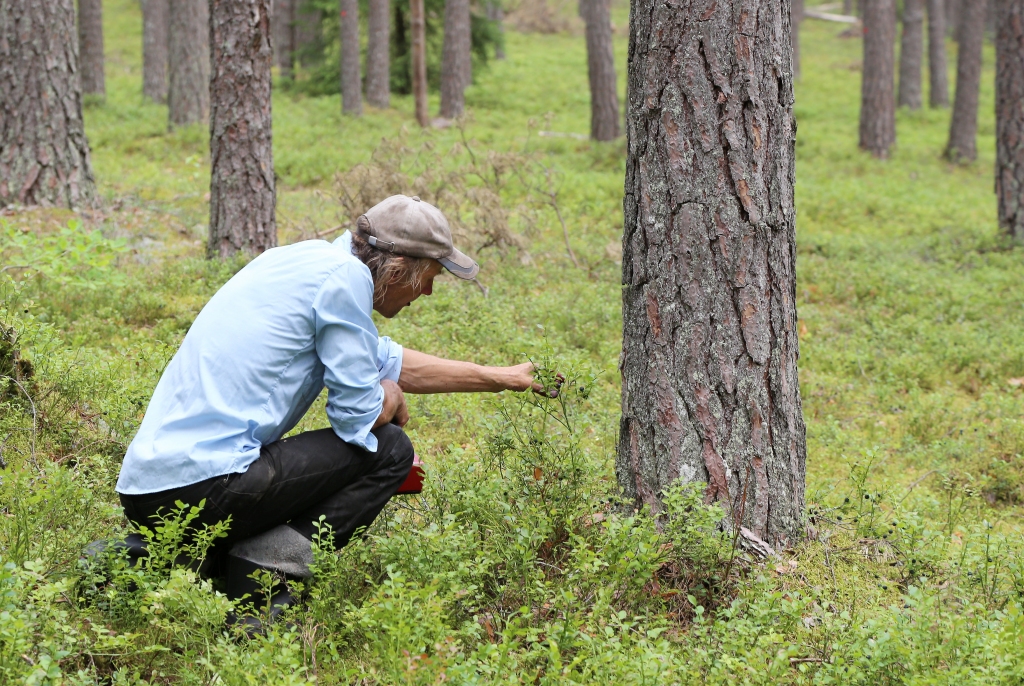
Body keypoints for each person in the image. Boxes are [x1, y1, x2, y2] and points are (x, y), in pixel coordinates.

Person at [114, 195, 540, 630]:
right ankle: (261, 574)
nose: (427, 292)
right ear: (396, 270)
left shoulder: (307, 262)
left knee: (314, 457)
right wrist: (388, 396)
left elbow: (387, 360)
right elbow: (357, 418)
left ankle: (153, 558)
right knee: (390, 449)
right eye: (428, 279)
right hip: (208, 486)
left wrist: (499, 377)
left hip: (148, 489)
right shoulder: (344, 281)